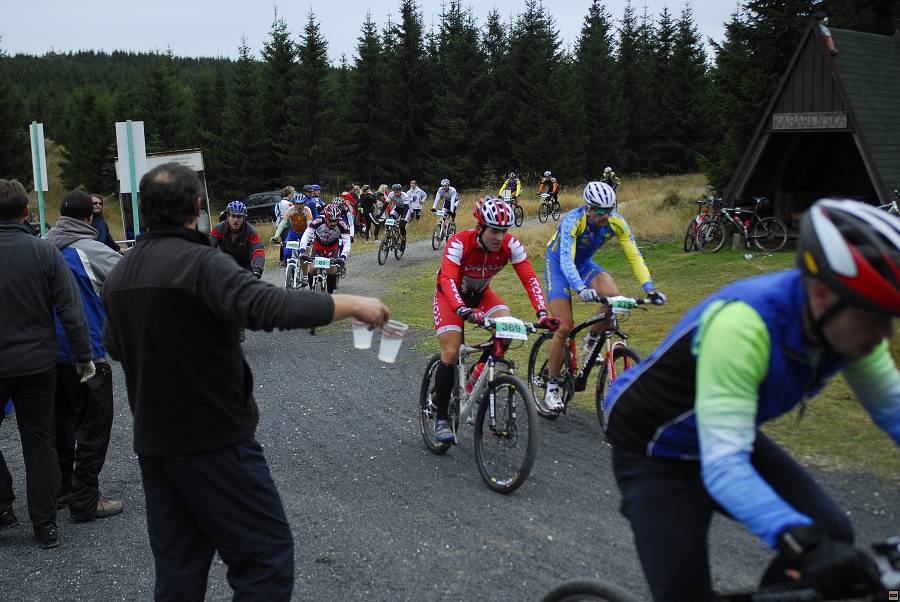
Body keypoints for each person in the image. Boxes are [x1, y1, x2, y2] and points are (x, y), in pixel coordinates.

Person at [101, 162, 389, 601]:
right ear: (197, 207)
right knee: (265, 559)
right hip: (216, 440)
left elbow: (115, 345)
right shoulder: (201, 264)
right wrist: (350, 304)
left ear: (143, 209)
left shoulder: (120, 276)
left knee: (178, 570)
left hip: (156, 446)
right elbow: (267, 306)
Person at [603, 199, 899, 601]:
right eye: (873, 316)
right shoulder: (744, 326)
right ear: (822, 295)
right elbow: (724, 467)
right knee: (685, 595)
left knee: (832, 534)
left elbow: (894, 411)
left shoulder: (849, 332)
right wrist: (804, 546)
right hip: (655, 450)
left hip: (720, 433)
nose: (885, 335)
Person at [0, 179, 93, 549]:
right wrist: (84, 355)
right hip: (38, 363)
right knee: (39, 440)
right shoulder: (44, 252)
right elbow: (70, 311)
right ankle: (45, 524)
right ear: (26, 212)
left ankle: (2, 504)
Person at [430, 197, 560, 442]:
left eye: (504, 231)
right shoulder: (459, 243)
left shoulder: (511, 245)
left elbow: (529, 278)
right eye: (494, 231)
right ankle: (441, 417)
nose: (499, 237)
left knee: (508, 328)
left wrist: (542, 314)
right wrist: (461, 309)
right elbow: (447, 279)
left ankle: (475, 378)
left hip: (481, 295)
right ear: (480, 227)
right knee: (451, 351)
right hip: (449, 297)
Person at [542, 181, 664, 413]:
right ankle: (552, 385)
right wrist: (580, 287)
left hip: (584, 264)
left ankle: (590, 341)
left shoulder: (616, 222)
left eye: (609, 210)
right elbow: (566, 259)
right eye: (600, 211)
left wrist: (650, 289)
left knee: (614, 300)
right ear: (588, 208)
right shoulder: (573, 221)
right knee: (564, 326)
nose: (605, 216)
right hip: (558, 265)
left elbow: (634, 255)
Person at [44, 191, 124, 523]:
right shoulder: (91, 249)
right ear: (89, 218)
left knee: (60, 425)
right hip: (87, 352)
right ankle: (86, 498)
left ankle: (62, 489)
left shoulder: (42, 247)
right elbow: (128, 279)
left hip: (48, 355)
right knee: (94, 428)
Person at [298, 203, 352, 294]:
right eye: (330, 220)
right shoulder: (318, 221)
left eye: (335, 220)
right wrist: (302, 249)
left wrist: (343, 256)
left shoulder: (342, 224)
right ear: (326, 217)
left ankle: (330, 294)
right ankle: (311, 292)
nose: (333, 223)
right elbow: (307, 234)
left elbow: (347, 241)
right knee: (312, 269)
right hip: (318, 244)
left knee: (331, 269)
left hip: (333, 246)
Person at [210, 201, 265, 279]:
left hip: (245, 266)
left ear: (243, 218)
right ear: (228, 217)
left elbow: (258, 250)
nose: (236, 220)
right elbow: (209, 248)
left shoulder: (251, 231)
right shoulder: (218, 229)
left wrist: (257, 268)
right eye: (233, 216)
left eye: (239, 217)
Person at [271, 197, 314, 268]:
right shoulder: (290, 210)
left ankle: (303, 272)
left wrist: (311, 238)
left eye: (301, 204)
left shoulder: (307, 210)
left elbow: (310, 226)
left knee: (303, 255)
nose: (299, 206)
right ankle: (288, 270)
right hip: (293, 233)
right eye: (297, 204)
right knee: (287, 253)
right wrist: (276, 236)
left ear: (304, 204)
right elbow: (282, 223)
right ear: (294, 204)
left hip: (304, 234)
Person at [386, 183, 413, 250]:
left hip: (406, 210)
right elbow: (386, 204)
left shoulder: (405, 196)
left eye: (397, 192)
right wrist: (380, 214)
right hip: (397, 208)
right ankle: (391, 237)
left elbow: (406, 208)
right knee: (389, 222)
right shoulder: (391, 194)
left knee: (401, 226)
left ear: (400, 191)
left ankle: (403, 240)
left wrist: (403, 217)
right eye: (395, 192)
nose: (396, 193)